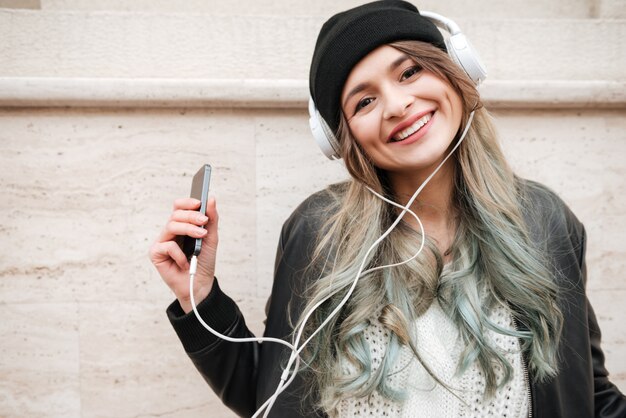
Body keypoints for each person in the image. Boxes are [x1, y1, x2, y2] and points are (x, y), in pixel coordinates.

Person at [148, 1, 626, 417]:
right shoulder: (319, 233)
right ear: (344, 138)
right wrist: (200, 297)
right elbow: (275, 396)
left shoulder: (544, 220)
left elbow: (590, 393)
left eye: (410, 71)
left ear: (455, 71)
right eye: (365, 101)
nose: (397, 104)